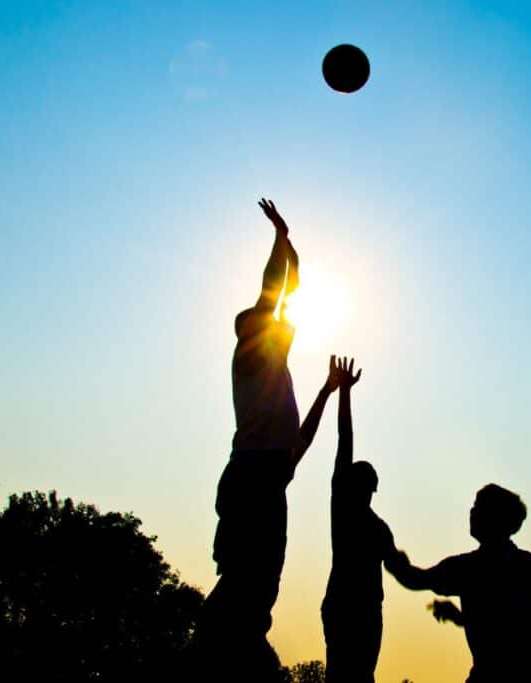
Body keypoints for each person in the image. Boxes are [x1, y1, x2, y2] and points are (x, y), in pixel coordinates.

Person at [192, 199, 338, 680]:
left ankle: (235, 649)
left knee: (257, 587)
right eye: (261, 316)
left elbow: (302, 445)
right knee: (245, 583)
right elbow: (273, 289)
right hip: (250, 474)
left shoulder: (277, 377)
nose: (269, 316)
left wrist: (327, 391)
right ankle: (217, 651)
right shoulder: (250, 355)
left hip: (263, 477)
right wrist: (280, 238)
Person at [387, 484, 531, 683]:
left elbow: (416, 580)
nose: (472, 512)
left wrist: (390, 556)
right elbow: (503, 619)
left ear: (497, 518)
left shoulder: (470, 568)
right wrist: (462, 617)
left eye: (479, 507)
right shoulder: (529, 564)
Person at [321, 356, 403, 683]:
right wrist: (344, 392)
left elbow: (399, 567)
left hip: (364, 610)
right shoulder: (346, 507)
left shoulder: (373, 525)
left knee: (355, 675)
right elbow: (345, 438)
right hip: (348, 607)